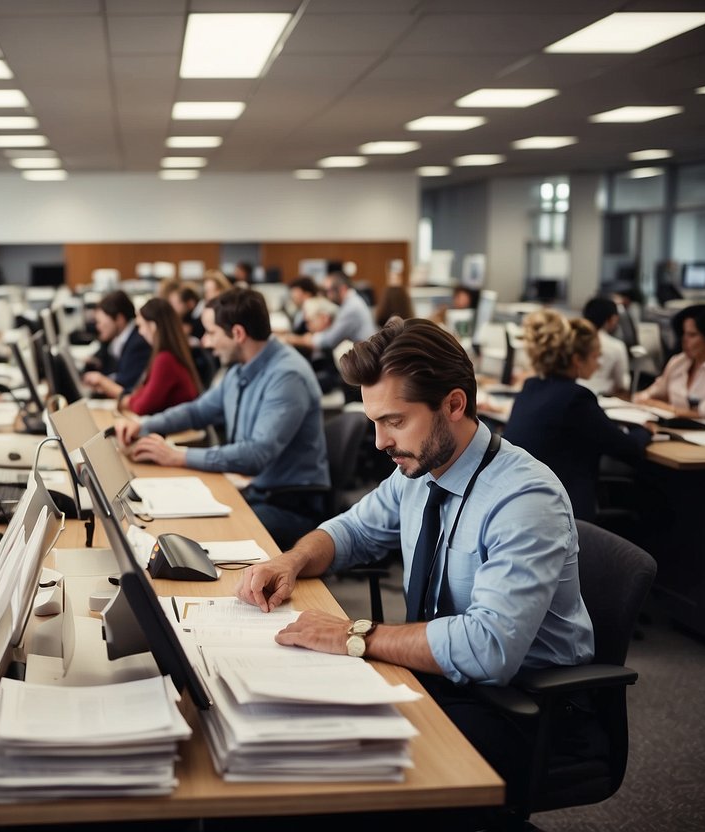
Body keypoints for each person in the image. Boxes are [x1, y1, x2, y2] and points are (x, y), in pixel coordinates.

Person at [235, 316, 595, 810]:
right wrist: (292, 561)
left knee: (331, 784)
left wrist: (353, 635)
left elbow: (489, 647)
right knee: (279, 739)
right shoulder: (419, 469)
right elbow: (353, 530)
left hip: (523, 708)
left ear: (453, 404)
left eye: (394, 421)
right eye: (374, 422)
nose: (380, 442)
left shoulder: (523, 498)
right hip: (437, 680)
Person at [116, 289, 330, 549]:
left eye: (212, 333)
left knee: (197, 535)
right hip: (258, 492)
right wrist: (143, 425)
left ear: (238, 334)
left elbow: (256, 455)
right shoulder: (239, 370)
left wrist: (177, 456)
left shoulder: (287, 376)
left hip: (291, 507)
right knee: (175, 524)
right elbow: (197, 411)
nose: (206, 342)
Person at [504, 310, 650, 522]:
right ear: (576, 360)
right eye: (595, 356)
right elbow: (628, 449)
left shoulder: (531, 387)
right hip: (562, 514)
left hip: (521, 507)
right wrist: (644, 430)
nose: (599, 363)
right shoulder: (576, 398)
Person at [83, 297, 202, 415]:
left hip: (181, 433)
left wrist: (121, 400)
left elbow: (141, 406)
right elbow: (140, 395)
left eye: (140, 326)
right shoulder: (168, 355)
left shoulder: (165, 359)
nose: (140, 332)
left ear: (153, 326)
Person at [635, 304, 705, 421]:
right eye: (683, 333)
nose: (684, 340)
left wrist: (662, 407)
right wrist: (644, 398)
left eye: (692, 335)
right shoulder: (679, 361)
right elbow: (650, 393)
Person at [85, 290, 152, 393]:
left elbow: (126, 384)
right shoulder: (117, 339)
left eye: (100, 322)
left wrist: (101, 380)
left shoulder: (138, 343)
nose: (98, 327)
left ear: (119, 319)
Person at [580, 296, 631, 396]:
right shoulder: (616, 346)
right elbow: (622, 383)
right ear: (612, 319)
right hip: (603, 396)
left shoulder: (573, 340)